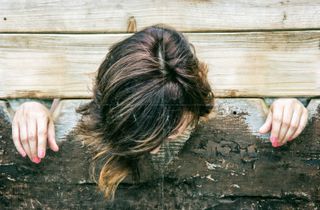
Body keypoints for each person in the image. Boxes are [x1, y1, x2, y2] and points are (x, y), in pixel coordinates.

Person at [11, 25, 308, 199]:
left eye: (172, 129)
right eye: (150, 136)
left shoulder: (190, 94)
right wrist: (28, 106)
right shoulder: (108, 109)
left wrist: (289, 101)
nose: (157, 148)